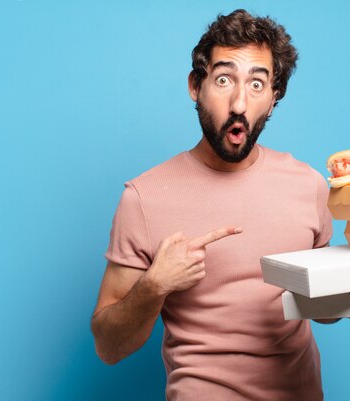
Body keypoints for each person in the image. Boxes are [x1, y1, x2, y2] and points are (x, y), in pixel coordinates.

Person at [91, 9, 336, 401]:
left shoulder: (308, 185)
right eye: (224, 80)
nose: (240, 102)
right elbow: (108, 347)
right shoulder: (143, 198)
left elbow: (323, 309)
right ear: (196, 85)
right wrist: (154, 285)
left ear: (273, 99)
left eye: (258, 84)